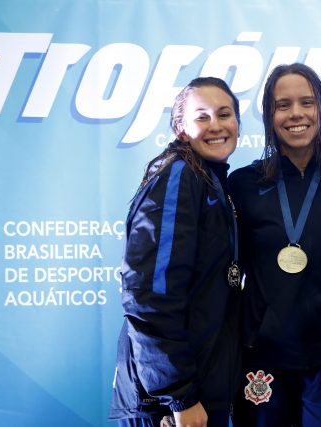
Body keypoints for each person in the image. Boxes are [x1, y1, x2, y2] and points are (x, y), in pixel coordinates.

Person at [228, 63, 321, 427]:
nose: (296, 114)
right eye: (283, 105)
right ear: (269, 115)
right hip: (261, 360)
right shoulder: (243, 184)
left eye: (307, 102)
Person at [109, 77, 242, 427]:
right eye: (202, 117)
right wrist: (179, 394)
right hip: (167, 402)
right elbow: (149, 294)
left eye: (224, 114)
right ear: (181, 128)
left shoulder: (207, 179)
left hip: (193, 387)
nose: (216, 125)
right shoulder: (179, 175)